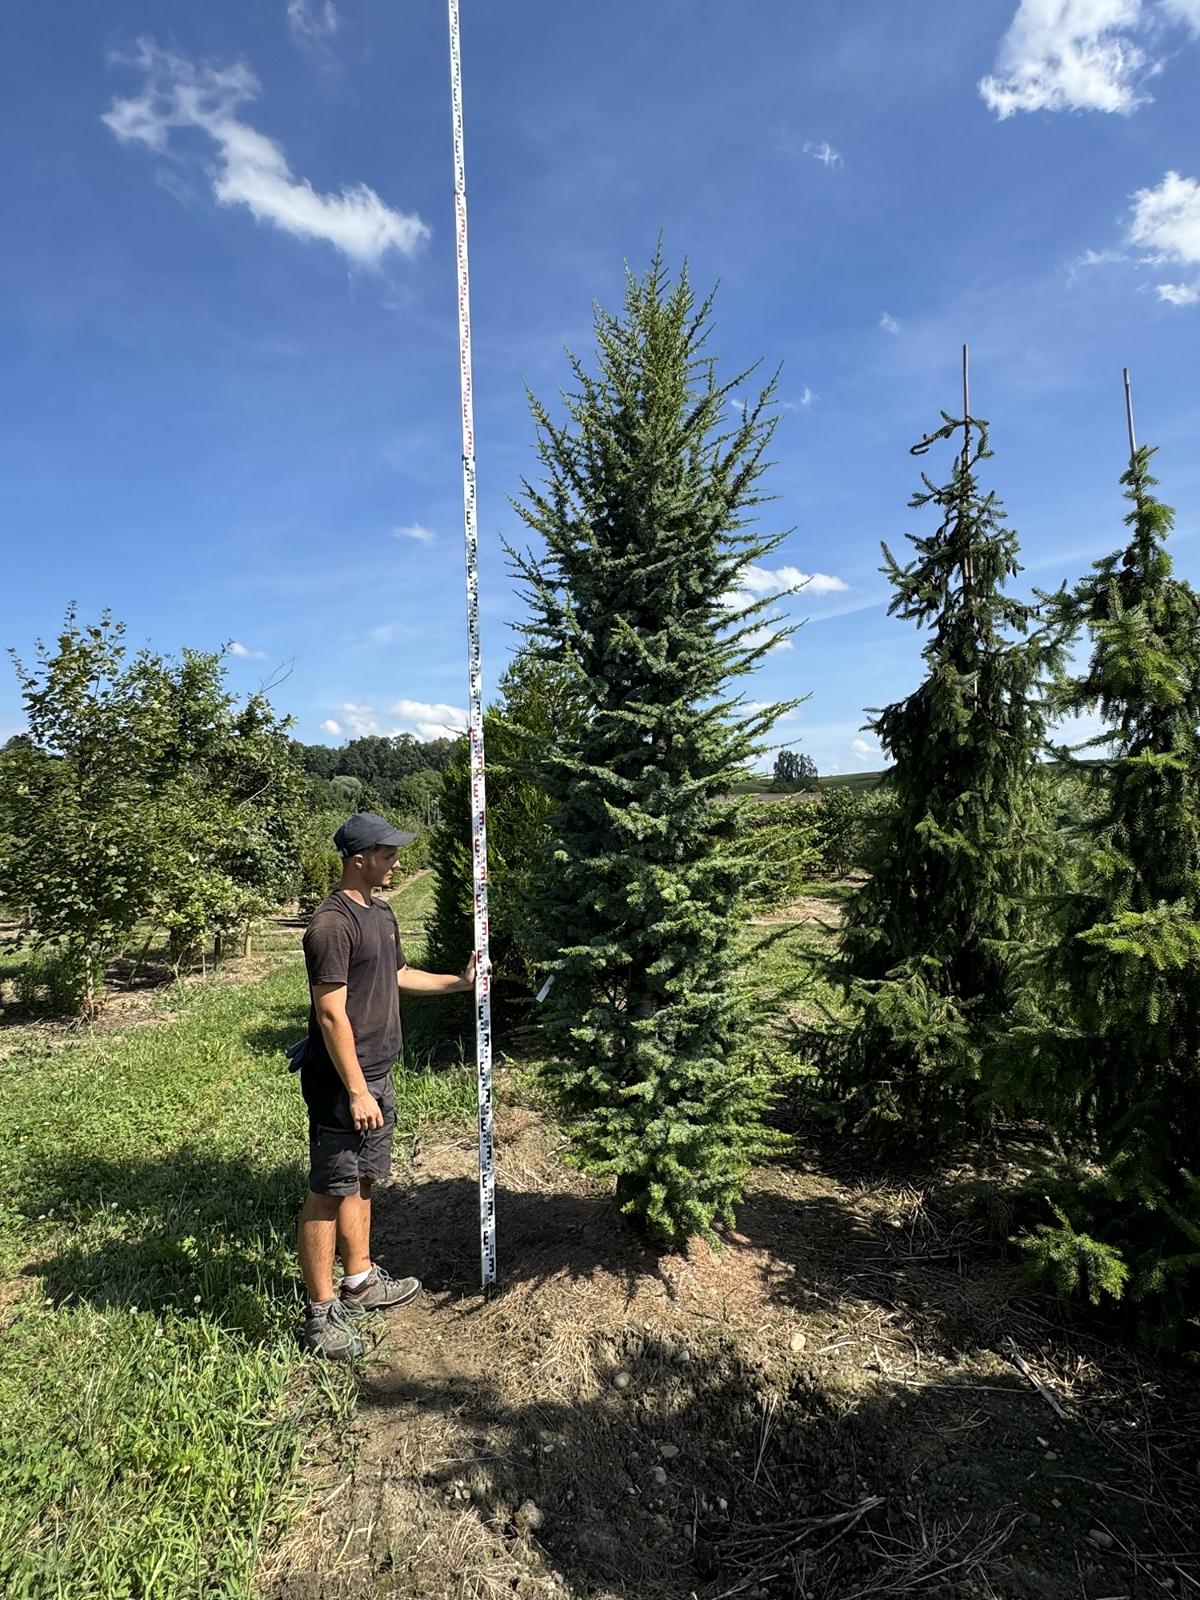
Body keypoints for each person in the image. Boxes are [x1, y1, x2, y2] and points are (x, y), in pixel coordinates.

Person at [297, 811, 477, 1359]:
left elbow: (397, 975)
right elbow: (330, 1015)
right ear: (359, 859)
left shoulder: (380, 912)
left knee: (365, 1179)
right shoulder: (330, 925)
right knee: (329, 1190)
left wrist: (459, 984)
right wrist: (355, 1090)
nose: (397, 863)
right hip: (342, 1081)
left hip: (379, 1071)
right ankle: (321, 1314)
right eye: (388, 855)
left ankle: (360, 1280)